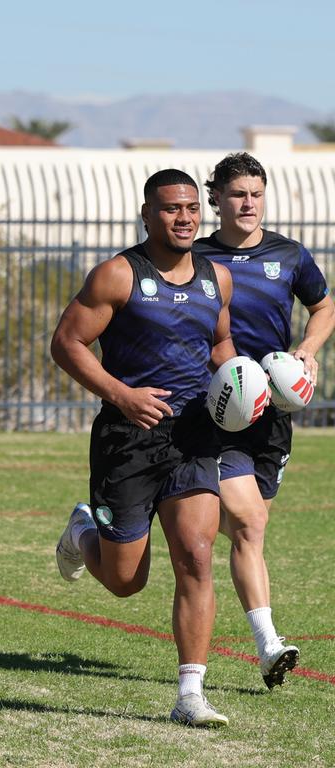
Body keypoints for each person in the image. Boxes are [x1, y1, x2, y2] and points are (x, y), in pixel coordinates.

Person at [50, 169, 236, 727]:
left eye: (191, 208)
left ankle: (190, 695)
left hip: (193, 437)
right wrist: (121, 394)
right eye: (170, 209)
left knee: (198, 558)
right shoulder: (117, 275)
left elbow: (220, 342)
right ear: (147, 214)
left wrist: (241, 385)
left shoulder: (217, 278)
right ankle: (83, 532)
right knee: (127, 581)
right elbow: (67, 343)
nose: (184, 218)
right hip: (126, 441)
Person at [195, 153, 334, 689]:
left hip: (274, 414)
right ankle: (267, 644)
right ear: (217, 200)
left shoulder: (289, 255)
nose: (247, 203)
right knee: (249, 524)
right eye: (236, 194)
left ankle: (128, 512)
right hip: (220, 410)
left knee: (243, 530)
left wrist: (308, 351)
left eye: (255, 193)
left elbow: (324, 306)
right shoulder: (198, 257)